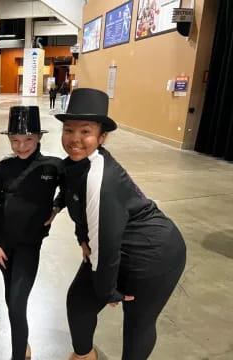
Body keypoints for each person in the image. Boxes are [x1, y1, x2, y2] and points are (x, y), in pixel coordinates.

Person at [55, 88, 187, 360]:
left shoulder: (100, 178)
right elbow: (72, 194)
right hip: (113, 244)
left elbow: (106, 244)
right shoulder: (76, 164)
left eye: (85, 131)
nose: (75, 139)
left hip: (153, 253)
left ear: (102, 137)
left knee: (137, 323)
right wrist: (80, 234)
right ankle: (84, 355)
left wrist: (107, 291)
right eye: (69, 130)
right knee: (79, 303)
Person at [0, 106, 62, 360]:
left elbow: (75, 187)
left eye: (28, 139)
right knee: (11, 299)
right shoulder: (3, 168)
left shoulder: (53, 167)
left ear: (39, 137)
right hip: (4, 248)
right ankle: (23, 341)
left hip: (29, 247)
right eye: (15, 140)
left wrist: (57, 206)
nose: (21, 146)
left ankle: (18, 354)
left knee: (17, 305)